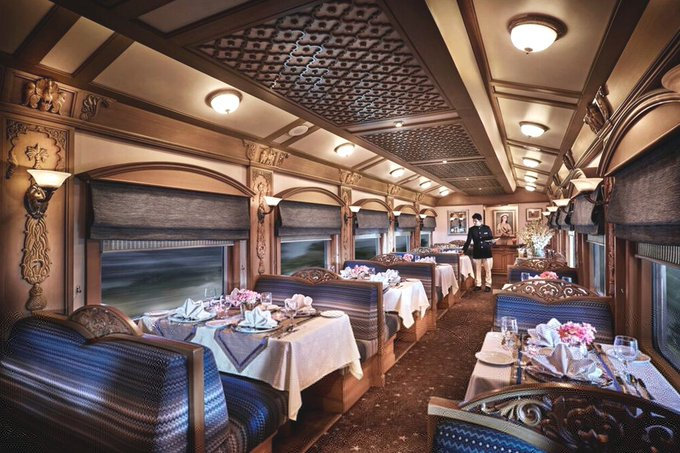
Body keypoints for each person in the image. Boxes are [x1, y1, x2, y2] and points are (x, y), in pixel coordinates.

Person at [463, 213, 494, 292]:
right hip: (477, 252)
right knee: (477, 270)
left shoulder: (487, 228)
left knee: (488, 270)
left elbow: (491, 239)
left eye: (475, 221)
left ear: (480, 220)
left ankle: (488, 285)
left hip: (486, 252)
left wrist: (492, 243)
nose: (474, 222)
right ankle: (478, 285)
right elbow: (468, 241)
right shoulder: (471, 229)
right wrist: (463, 250)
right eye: (473, 221)